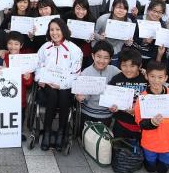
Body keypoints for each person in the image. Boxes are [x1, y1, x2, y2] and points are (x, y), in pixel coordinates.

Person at [36, 18, 83, 151]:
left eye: (58, 29)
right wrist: (40, 78)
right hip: (47, 88)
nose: (54, 32)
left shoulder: (74, 49)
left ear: (64, 30)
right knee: (51, 92)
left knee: (61, 92)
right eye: (52, 30)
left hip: (66, 88)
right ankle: (47, 131)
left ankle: (62, 132)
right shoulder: (45, 48)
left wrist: (62, 85)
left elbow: (76, 73)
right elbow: (37, 67)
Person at [133, 61, 169, 173]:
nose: (156, 80)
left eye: (160, 77)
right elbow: (139, 121)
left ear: (166, 77)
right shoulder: (142, 97)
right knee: (150, 168)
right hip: (149, 141)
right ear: (146, 76)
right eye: (152, 76)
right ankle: (150, 162)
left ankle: (164, 162)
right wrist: (152, 122)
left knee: (163, 170)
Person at [75, 41, 120, 126]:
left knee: (103, 137)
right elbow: (80, 93)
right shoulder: (86, 73)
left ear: (110, 59)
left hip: (107, 114)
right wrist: (79, 97)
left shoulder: (115, 71)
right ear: (93, 56)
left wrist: (141, 72)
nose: (102, 61)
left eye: (106, 58)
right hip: (87, 112)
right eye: (98, 56)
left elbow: (127, 76)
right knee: (86, 137)